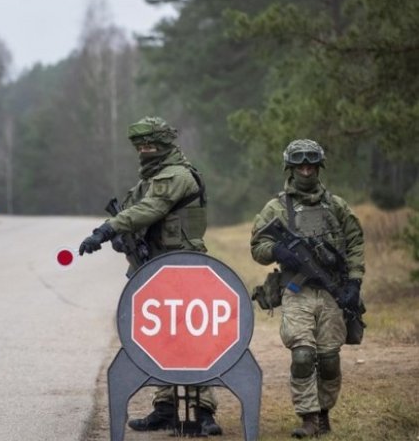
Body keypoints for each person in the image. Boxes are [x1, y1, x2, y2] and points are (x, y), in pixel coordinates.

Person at [78, 116, 221, 436]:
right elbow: (135, 215)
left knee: (193, 338)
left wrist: (107, 229)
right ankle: (166, 407)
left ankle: (203, 410)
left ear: (165, 144)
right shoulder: (147, 180)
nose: (144, 150)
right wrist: (121, 239)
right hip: (156, 271)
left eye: (150, 145)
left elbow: (150, 209)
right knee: (161, 340)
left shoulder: (178, 175)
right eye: (140, 146)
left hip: (185, 267)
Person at [249, 139, 365, 438]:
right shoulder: (276, 207)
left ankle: (325, 412)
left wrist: (353, 282)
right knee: (302, 356)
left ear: (318, 167)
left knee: (328, 359)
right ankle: (308, 418)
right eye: (300, 165)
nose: (305, 170)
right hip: (296, 290)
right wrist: (278, 251)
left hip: (332, 292)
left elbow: (354, 243)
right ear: (290, 168)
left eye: (310, 165)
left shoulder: (336, 206)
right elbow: (257, 247)